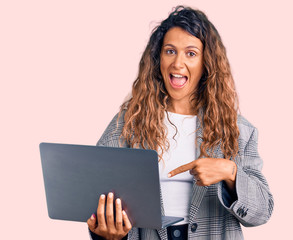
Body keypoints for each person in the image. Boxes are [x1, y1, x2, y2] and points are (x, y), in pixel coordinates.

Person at [87, 5, 274, 240]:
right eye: (170, 51)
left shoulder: (237, 130)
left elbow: (262, 212)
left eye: (191, 53)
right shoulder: (127, 123)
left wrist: (230, 173)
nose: (177, 63)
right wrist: (108, 234)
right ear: (158, 59)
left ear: (207, 63)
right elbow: (95, 196)